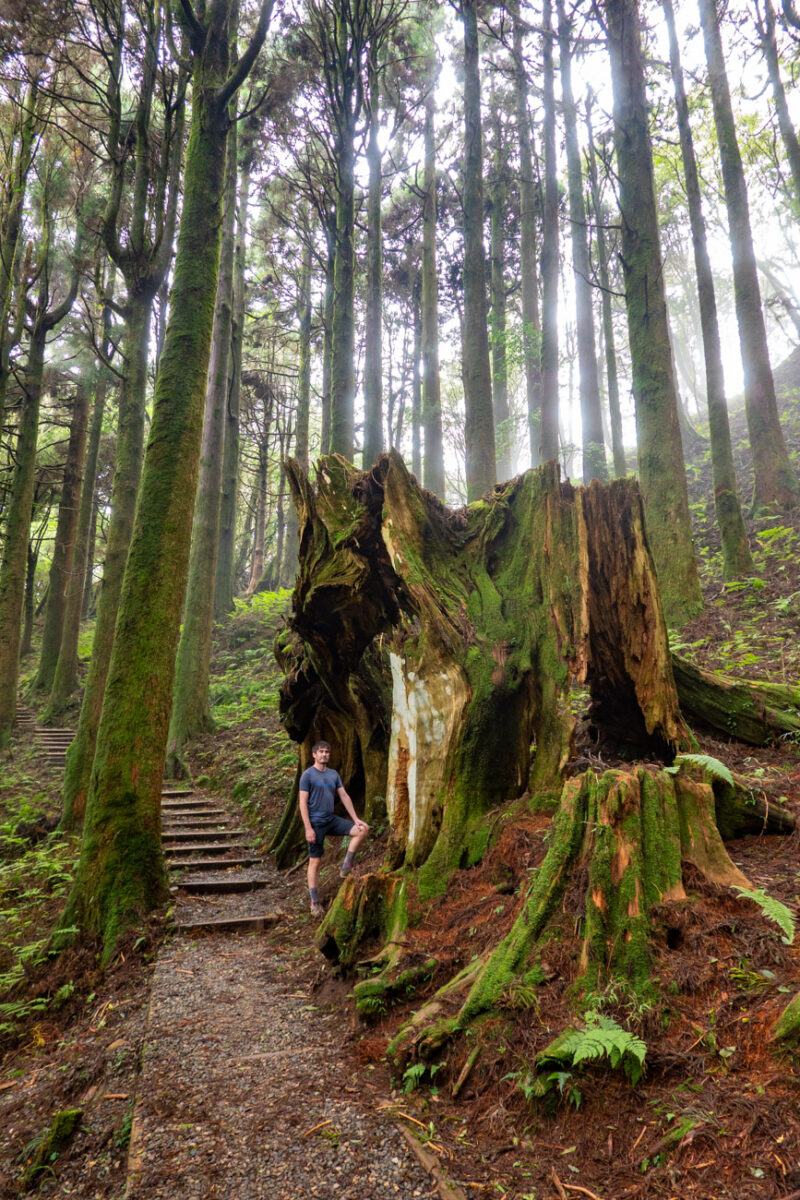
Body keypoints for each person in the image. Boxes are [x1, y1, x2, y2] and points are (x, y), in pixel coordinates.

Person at [298, 740, 369, 918]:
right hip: (315, 823)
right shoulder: (307, 775)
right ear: (314, 755)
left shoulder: (333, 774)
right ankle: (314, 902)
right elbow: (302, 803)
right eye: (321, 752)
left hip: (331, 820)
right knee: (315, 862)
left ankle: (346, 866)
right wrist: (308, 828)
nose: (324, 755)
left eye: (327, 752)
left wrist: (356, 819)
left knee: (361, 830)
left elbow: (344, 796)